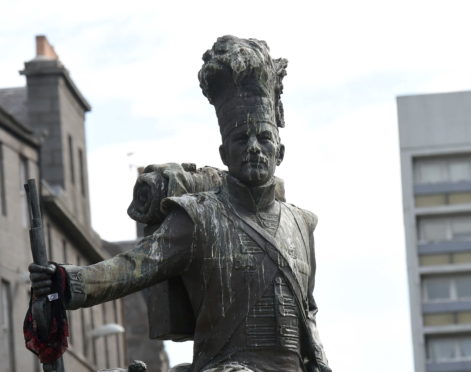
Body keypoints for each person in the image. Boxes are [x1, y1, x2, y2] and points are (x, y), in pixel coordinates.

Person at [30, 35, 331, 372]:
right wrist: (66, 282)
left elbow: (307, 308)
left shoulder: (303, 224)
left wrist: (317, 355)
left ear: (280, 151)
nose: (254, 148)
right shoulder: (200, 216)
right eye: (240, 138)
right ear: (223, 153)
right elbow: (133, 268)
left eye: (264, 138)